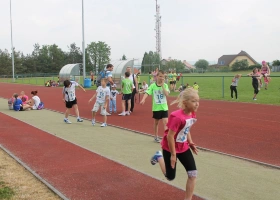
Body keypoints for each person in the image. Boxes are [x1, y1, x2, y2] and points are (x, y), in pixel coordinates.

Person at [150, 88, 199, 200]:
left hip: (183, 147)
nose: (197, 104)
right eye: (194, 101)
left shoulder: (192, 114)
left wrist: (190, 142)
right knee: (170, 177)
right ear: (185, 102)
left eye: (198, 101)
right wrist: (173, 155)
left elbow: (187, 128)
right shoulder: (177, 117)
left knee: (193, 174)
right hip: (169, 148)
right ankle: (159, 157)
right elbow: (170, 136)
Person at [140, 70, 170, 143]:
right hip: (156, 108)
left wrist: (162, 85)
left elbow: (167, 94)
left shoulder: (165, 85)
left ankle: (166, 137)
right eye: (160, 76)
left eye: (163, 77)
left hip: (164, 107)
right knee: (156, 122)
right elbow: (147, 93)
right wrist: (143, 99)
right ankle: (156, 136)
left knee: (166, 122)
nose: (162, 78)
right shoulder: (153, 85)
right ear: (157, 77)